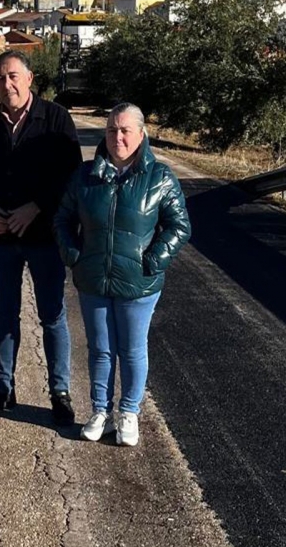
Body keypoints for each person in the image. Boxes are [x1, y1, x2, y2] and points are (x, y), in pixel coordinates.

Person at [54, 103, 191, 446]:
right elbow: (62, 220)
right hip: (94, 279)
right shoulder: (85, 176)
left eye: (126, 130)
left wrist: (153, 260)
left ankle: (129, 412)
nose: (118, 137)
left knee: (131, 349)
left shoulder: (159, 177)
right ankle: (100, 410)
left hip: (139, 284)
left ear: (141, 134)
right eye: (112, 130)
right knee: (100, 349)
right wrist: (74, 255)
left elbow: (179, 225)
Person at [0, 50, 81, 425]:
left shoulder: (56, 118)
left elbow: (71, 176)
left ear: (30, 79)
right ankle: (2, 388)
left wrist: (38, 207)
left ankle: (59, 393)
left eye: (13, 76)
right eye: (0, 78)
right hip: (0, 240)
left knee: (52, 315)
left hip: (44, 236)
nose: (7, 84)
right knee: (5, 315)